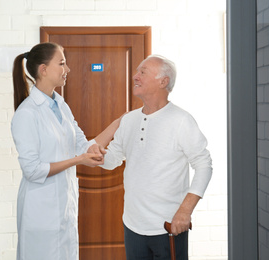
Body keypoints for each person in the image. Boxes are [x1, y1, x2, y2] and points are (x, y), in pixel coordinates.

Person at [91, 55, 213, 260]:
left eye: (143, 72)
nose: (135, 76)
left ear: (163, 81)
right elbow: (112, 160)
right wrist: (97, 155)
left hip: (169, 226)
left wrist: (185, 211)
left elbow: (204, 165)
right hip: (132, 226)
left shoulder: (181, 120)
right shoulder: (129, 120)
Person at [11, 42, 120, 260]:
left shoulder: (60, 105)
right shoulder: (27, 114)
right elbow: (32, 170)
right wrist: (78, 160)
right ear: (43, 69)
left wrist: (119, 123)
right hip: (40, 210)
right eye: (61, 64)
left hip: (64, 208)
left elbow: (82, 144)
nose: (67, 69)